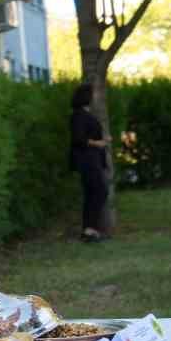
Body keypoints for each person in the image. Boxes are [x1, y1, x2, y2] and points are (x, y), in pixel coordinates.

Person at [69, 84, 111, 242]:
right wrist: (98, 143)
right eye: (93, 94)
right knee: (99, 191)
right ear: (86, 97)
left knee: (92, 193)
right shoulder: (79, 115)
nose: (95, 97)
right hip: (87, 160)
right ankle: (90, 230)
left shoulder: (84, 114)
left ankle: (88, 231)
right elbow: (78, 139)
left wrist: (102, 141)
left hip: (92, 159)